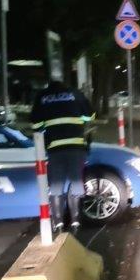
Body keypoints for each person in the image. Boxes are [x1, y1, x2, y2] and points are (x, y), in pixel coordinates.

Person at [30, 80, 95, 232]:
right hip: (76, 147)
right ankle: (75, 222)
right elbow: (90, 116)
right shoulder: (75, 94)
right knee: (76, 183)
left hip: (55, 148)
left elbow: (36, 125)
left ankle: (58, 223)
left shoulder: (42, 96)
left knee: (56, 186)